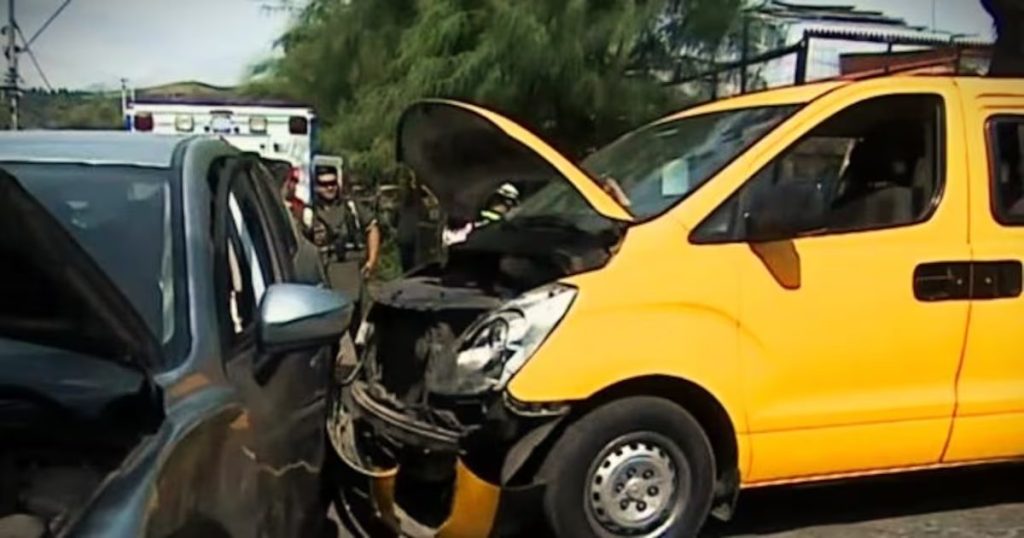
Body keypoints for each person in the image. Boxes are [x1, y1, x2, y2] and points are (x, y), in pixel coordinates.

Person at [310, 166, 380, 325]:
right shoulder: (309, 213)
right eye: (324, 184)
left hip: (354, 273)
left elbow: (372, 227)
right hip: (326, 276)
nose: (329, 187)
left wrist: (372, 261)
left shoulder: (351, 208)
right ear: (316, 186)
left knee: (362, 332)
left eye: (333, 183)